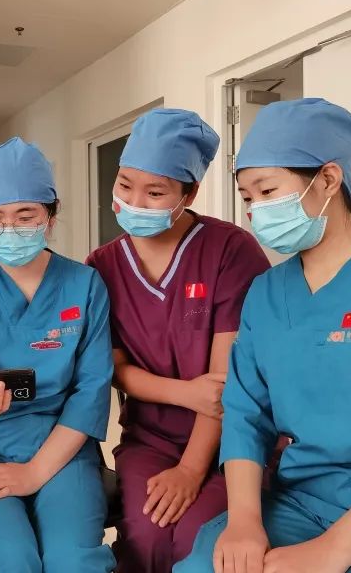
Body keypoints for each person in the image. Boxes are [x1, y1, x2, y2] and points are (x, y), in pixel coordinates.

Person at [176, 98, 351, 573]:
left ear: (329, 179)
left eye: (267, 190)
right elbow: (245, 413)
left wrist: (332, 551)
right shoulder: (266, 292)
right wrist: (243, 522)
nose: (255, 211)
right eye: (247, 198)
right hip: (297, 502)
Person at [86, 109, 270, 573]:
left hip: (233, 435)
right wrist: (183, 393)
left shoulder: (230, 250)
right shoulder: (102, 266)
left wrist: (191, 469)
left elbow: (223, 383)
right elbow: (114, 367)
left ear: (189, 194)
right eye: (124, 185)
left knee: (196, 537)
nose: (134, 202)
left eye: (155, 192)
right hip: (149, 437)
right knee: (145, 533)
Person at [0, 137, 117, 572]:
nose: (9, 229)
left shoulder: (84, 285)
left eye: (25, 216)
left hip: (62, 447)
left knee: (73, 560)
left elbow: (91, 390)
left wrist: (34, 472)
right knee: (10, 558)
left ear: (51, 216)